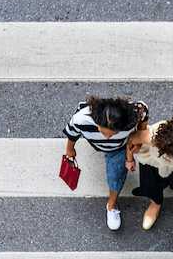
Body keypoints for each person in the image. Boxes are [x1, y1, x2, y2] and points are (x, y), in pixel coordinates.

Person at [62, 96, 149, 231]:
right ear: (96, 122)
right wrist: (70, 149)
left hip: (119, 148)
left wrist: (139, 141)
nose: (108, 137)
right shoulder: (80, 119)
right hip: (98, 145)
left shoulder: (134, 114)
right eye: (103, 132)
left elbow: (143, 116)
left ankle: (111, 205)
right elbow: (72, 134)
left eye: (114, 133)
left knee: (116, 176)